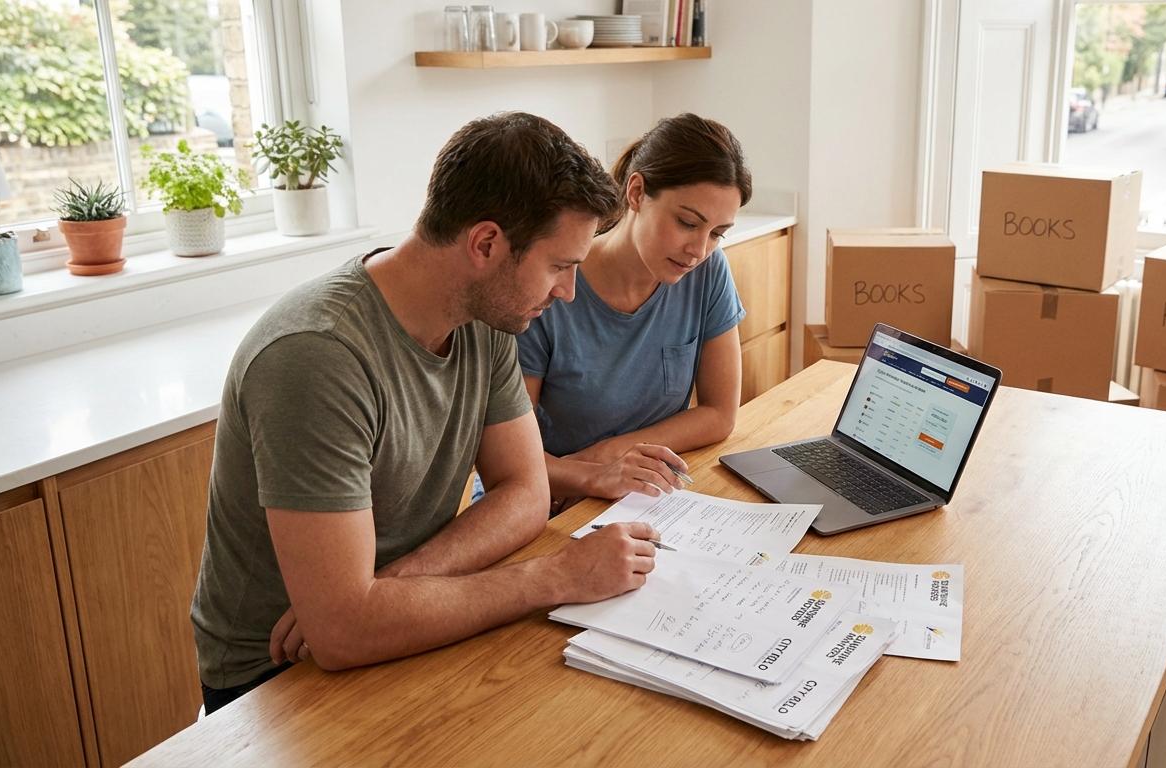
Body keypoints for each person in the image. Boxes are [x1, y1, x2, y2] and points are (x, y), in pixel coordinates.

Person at [190, 112, 663, 715]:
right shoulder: (316, 357)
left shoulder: (487, 318)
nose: (568, 292)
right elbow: (340, 634)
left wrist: (392, 586)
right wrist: (556, 577)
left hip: (403, 618)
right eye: (559, 266)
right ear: (486, 244)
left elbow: (526, 491)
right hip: (277, 678)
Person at [516, 113, 752, 508]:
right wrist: (594, 474)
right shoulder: (552, 285)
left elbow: (719, 414)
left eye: (716, 234)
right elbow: (506, 463)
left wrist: (612, 455)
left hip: (634, 492)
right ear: (637, 192)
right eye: (687, 223)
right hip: (546, 499)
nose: (698, 250)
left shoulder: (708, 271)